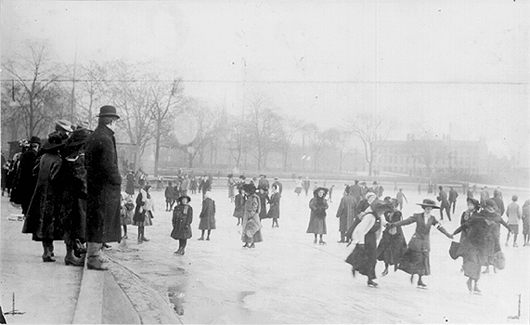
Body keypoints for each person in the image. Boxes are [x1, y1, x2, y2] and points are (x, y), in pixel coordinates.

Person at [84, 105, 122, 270]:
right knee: (100, 221)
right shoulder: (106, 138)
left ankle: (95, 254)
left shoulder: (94, 135)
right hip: (104, 188)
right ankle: (94, 258)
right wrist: (118, 180)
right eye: (116, 122)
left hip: (94, 185)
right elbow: (109, 166)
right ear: (112, 121)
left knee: (96, 220)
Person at [22, 132, 67, 263]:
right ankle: (48, 252)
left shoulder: (42, 157)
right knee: (50, 224)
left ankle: (46, 250)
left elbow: (34, 172)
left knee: (42, 224)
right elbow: (55, 178)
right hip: (52, 196)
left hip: (40, 193)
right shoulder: (58, 160)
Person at [388, 199, 454, 288]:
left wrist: (448, 234)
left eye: (430, 209)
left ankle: (419, 279)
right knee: (417, 258)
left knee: (424, 260)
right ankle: (414, 274)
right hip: (417, 240)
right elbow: (407, 221)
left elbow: (440, 227)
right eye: (427, 208)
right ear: (424, 208)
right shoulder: (417, 216)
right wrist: (394, 224)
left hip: (426, 242)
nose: (428, 210)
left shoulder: (432, 219)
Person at [452, 198, 511, 294]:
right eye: (490, 208)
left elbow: (496, 237)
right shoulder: (477, 217)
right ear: (486, 208)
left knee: (479, 265)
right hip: (472, 243)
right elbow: (465, 225)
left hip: (483, 246)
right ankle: (471, 282)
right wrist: (454, 233)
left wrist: (498, 251)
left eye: (493, 208)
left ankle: (474, 284)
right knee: (474, 263)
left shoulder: (494, 221)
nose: (492, 210)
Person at [60, 127, 92, 266]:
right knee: (78, 225)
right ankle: (71, 256)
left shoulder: (69, 154)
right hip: (77, 197)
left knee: (70, 225)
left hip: (67, 195)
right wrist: (89, 193)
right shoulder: (79, 156)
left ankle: (70, 254)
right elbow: (81, 179)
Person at [345, 201, 393, 287]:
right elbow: (361, 230)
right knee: (360, 254)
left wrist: (388, 224)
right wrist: (361, 243)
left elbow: (384, 222)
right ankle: (355, 266)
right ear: (376, 210)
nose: (382, 212)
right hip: (363, 236)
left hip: (372, 238)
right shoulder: (369, 217)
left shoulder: (380, 216)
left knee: (372, 258)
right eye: (381, 211)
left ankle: (370, 279)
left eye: (383, 211)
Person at [10, 136, 41, 214]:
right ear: (37, 146)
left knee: (25, 207)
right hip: (31, 184)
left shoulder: (24, 155)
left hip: (23, 183)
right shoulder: (36, 156)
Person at [377, 199, 407, 276]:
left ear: (396, 206)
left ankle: (396, 264)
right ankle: (386, 268)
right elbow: (384, 220)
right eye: (391, 205)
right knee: (386, 251)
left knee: (397, 249)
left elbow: (395, 222)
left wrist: (388, 224)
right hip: (388, 233)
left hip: (397, 233)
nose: (392, 206)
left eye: (393, 205)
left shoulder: (398, 213)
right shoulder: (387, 212)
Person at [241, 183, 263, 249]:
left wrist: (251, 214)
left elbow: (255, 206)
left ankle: (252, 243)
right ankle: (247, 242)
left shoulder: (254, 197)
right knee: (246, 229)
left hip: (252, 216)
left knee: (252, 230)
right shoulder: (248, 197)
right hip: (247, 215)